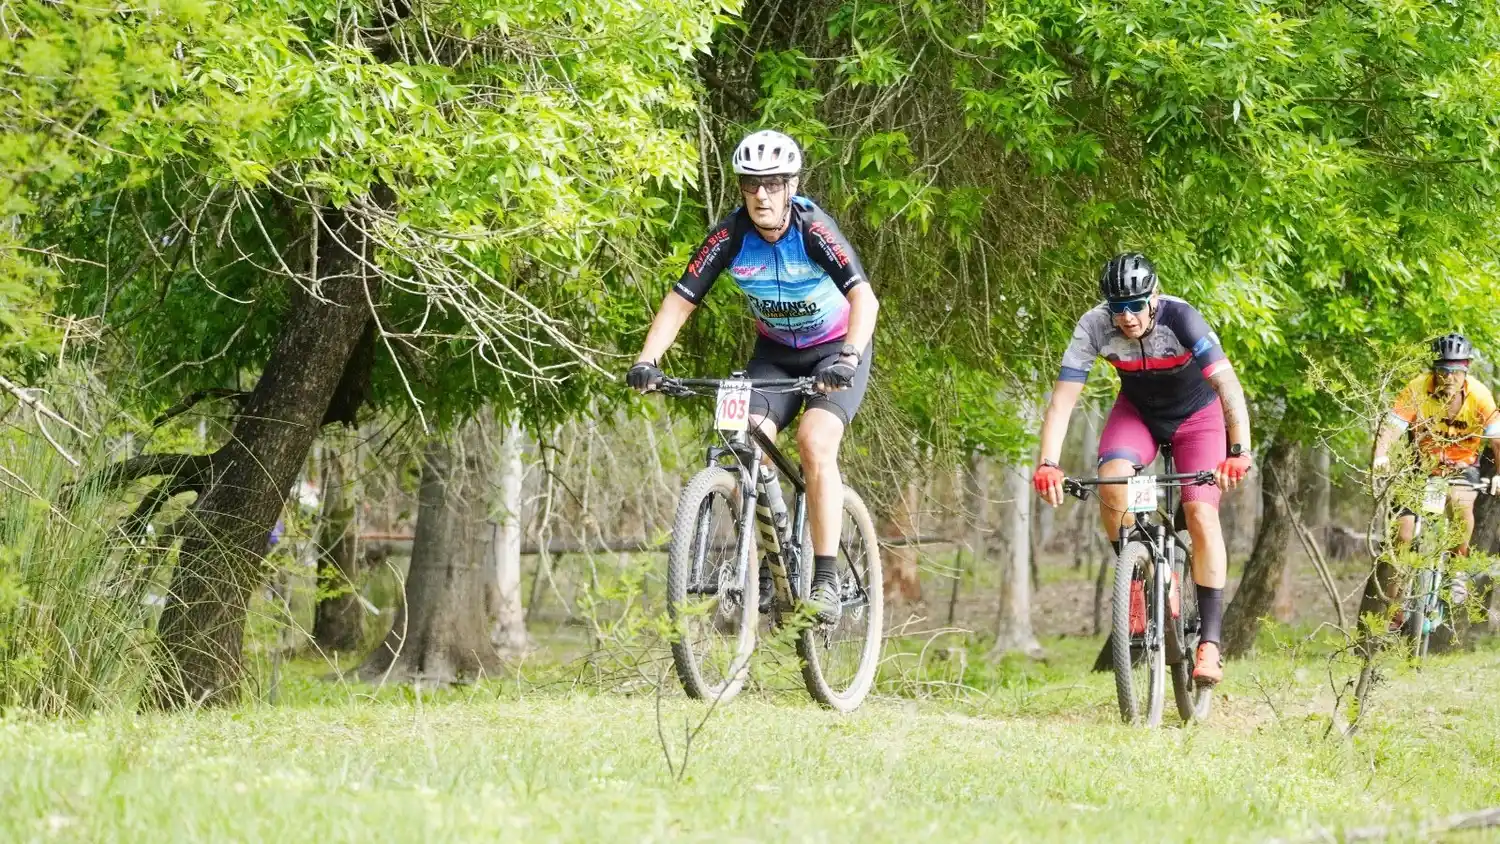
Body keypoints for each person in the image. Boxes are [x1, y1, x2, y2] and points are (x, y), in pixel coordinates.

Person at [625, 130, 879, 623]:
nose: (761, 194)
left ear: (792, 185)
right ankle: (769, 558)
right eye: (751, 184)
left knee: (814, 442)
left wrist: (848, 355)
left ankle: (824, 577)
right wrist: (647, 360)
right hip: (776, 354)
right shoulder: (730, 236)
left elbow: (863, 298)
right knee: (743, 442)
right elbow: (682, 299)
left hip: (836, 352)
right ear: (741, 188)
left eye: (774, 183)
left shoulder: (814, 230)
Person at [1031, 252, 1253, 686]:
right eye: (1118, 308)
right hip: (1138, 412)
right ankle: (1142, 579)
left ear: (1153, 297)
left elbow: (1227, 383)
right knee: (1114, 483)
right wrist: (1048, 463)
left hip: (1198, 418)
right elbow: (1063, 400)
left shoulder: (1181, 317)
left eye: (1135, 306)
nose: (1127, 318)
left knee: (1200, 512)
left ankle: (1209, 642)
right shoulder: (1093, 325)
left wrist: (1239, 449)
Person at [1361, 333, 1500, 624]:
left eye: (1456, 371)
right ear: (1434, 370)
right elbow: (1392, 425)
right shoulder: (1417, 389)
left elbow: (1497, 440)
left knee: (1460, 504)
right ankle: (1395, 605)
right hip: (1421, 466)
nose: (1448, 378)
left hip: (1462, 465)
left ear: (1466, 370)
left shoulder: (1480, 396)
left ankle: (1456, 570)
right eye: (1442, 371)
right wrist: (1381, 455)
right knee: (1402, 534)